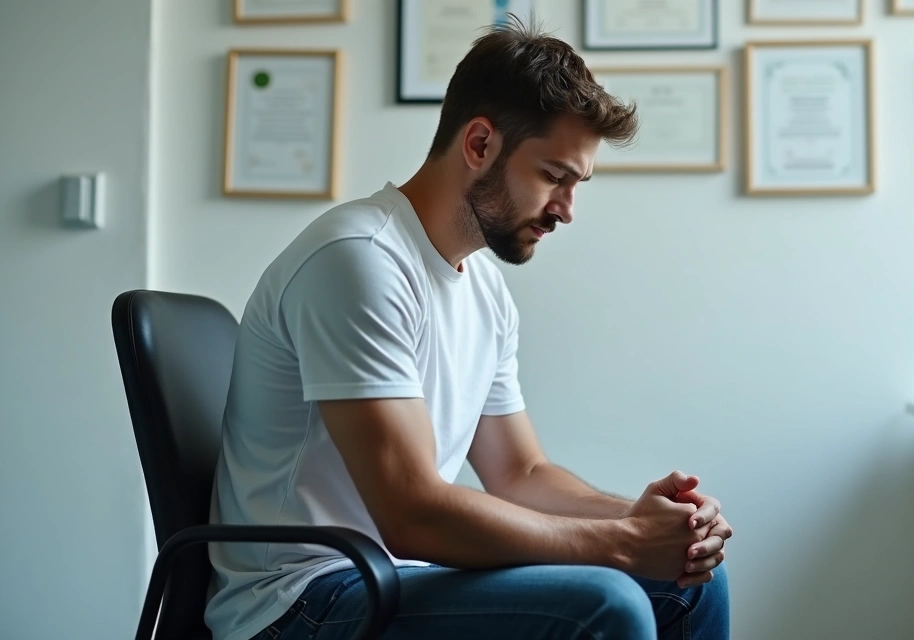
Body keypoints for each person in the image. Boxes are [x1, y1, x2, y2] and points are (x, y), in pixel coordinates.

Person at [204, 14, 732, 640]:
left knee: (691, 581)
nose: (566, 209)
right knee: (605, 602)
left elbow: (520, 475)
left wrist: (652, 522)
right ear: (480, 145)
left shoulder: (483, 288)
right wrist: (622, 544)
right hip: (298, 599)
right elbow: (412, 513)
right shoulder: (358, 260)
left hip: (394, 577)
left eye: (576, 184)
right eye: (553, 176)